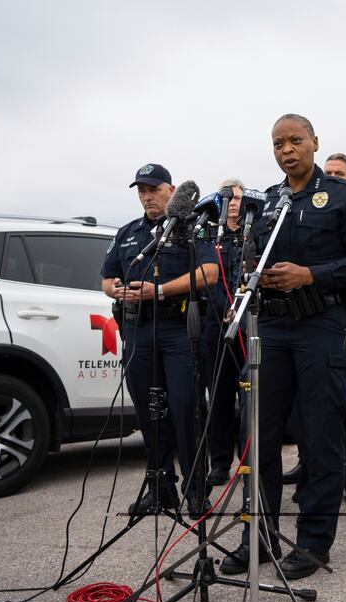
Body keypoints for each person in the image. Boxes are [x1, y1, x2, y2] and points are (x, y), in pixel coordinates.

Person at [220, 115, 346, 580]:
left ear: (314, 142)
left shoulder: (343, 195)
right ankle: (260, 536)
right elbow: (243, 256)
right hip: (270, 325)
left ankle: (313, 544)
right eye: (278, 143)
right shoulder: (269, 201)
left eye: (295, 141)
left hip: (324, 326)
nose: (287, 150)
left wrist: (311, 274)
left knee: (320, 435)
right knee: (259, 437)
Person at [101, 163, 219, 518]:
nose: (147, 197)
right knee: (149, 413)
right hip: (138, 330)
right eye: (141, 191)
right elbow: (107, 278)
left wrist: (161, 290)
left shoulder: (192, 228)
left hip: (177, 328)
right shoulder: (128, 233)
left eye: (153, 189)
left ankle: (196, 490)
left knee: (185, 409)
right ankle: (159, 488)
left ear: (171, 190)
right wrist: (117, 290)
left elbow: (210, 273)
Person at [281, 153, 346, 507]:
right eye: (328, 173)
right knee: (310, 405)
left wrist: (317, 275)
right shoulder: (293, 205)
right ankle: (310, 467)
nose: (331, 178)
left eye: (339, 174)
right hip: (304, 321)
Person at [200, 178, 247, 486]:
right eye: (227, 197)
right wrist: (223, 310)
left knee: (250, 397)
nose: (233, 202)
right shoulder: (206, 236)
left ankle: (249, 460)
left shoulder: (253, 235)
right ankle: (219, 463)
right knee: (218, 397)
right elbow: (208, 279)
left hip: (246, 325)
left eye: (238, 197)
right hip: (214, 326)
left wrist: (239, 310)